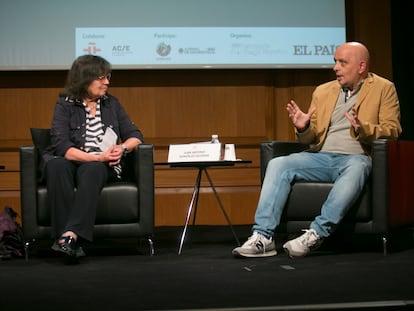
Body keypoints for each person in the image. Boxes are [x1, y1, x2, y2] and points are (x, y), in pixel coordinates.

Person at [232, 41, 402, 258]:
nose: (335, 68)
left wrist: (364, 128)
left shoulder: (383, 88)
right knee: (278, 163)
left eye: (342, 62)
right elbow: (311, 138)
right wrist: (304, 127)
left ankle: (315, 234)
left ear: (361, 67)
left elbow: (393, 129)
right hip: (321, 157)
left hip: (356, 157)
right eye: (335, 62)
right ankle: (263, 237)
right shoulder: (323, 91)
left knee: (358, 167)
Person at [43, 55, 144, 261]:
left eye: (108, 77)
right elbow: (62, 147)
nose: (107, 82)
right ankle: (68, 240)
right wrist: (96, 157)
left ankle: (67, 237)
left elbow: (136, 136)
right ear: (84, 79)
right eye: (101, 78)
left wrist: (122, 148)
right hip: (73, 159)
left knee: (94, 169)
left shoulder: (111, 104)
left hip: (100, 165)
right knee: (56, 166)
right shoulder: (65, 105)